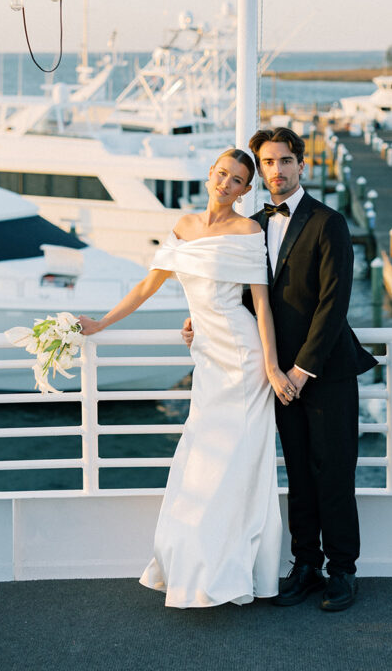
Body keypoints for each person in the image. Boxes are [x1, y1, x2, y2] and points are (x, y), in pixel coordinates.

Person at [79, 148, 296, 608]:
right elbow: (147, 285)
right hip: (206, 357)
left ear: (245, 190)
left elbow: (261, 305)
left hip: (243, 360)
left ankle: (231, 569)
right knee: (202, 456)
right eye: (222, 174)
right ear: (210, 174)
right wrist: (100, 323)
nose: (225, 184)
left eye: (236, 180)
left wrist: (273, 367)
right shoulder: (183, 226)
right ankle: (196, 565)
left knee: (236, 462)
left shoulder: (248, 231)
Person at [183, 127, 376, 612]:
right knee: (298, 474)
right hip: (273, 374)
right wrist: (199, 320)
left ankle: (343, 570)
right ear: (260, 172)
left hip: (324, 371)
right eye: (268, 162)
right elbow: (242, 296)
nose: (277, 170)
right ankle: (305, 564)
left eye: (285, 161)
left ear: (301, 165)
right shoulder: (250, 225)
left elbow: (333, 304)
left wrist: (302, 370)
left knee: (334, 472)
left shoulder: (328, 222)